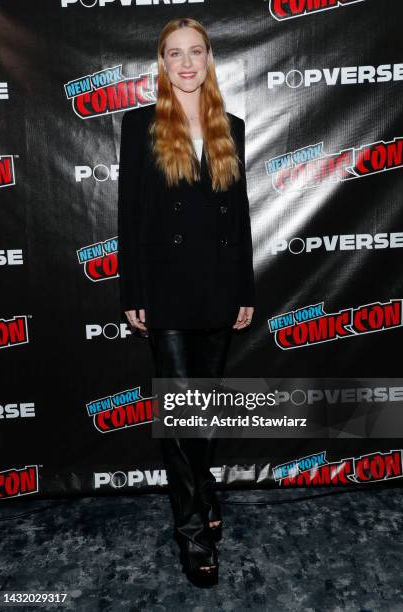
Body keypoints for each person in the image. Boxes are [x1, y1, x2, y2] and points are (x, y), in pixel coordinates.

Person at [117, 17, 255, 587]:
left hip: (218, 287)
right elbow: (127, 216)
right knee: (180, 416)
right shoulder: (139, 126)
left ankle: (203, 485)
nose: (187, 63)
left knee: (205, 407)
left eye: (195, 51)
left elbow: (240, 216)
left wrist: (244, 288)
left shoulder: (234, 127)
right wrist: (132, 292)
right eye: (175, 54)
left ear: (209, 57)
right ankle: (192, 532)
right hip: (167, 287)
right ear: (162, 62)